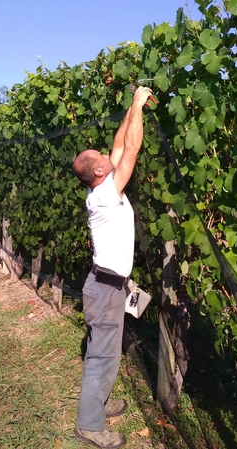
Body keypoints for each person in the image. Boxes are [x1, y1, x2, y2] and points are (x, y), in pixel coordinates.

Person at [71, 86, 153, 449]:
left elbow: (120, 145)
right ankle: (89, 425)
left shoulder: (101, 186)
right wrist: (137, 105)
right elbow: (131, 149)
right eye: (100, 155)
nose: (107, 152)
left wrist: (130, 109)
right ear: (100, 169)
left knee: (102, 350)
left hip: (106, 286)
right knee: (101, 355)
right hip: (105, 290)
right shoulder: (106, 194)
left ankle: (99, 403)